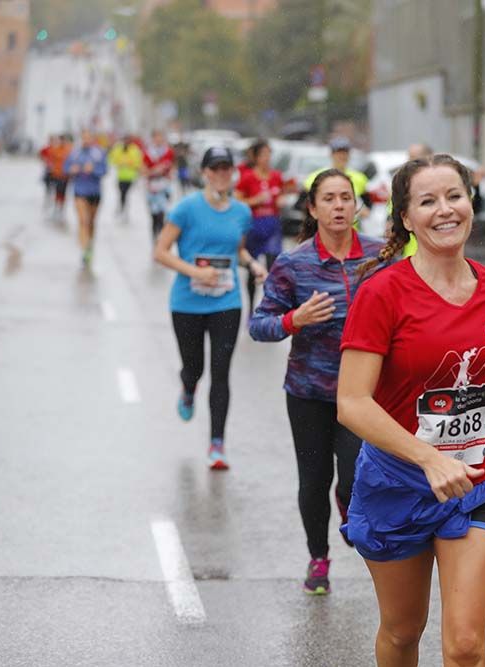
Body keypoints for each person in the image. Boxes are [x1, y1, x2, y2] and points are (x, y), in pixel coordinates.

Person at [337, 154, 485, 666]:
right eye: (427, 201)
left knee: (465, 644)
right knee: (402, 631)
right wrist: (430, 459)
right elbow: (351, 403)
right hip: (399, 482)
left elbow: (484, 357)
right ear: (406, 218)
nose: (445, 210)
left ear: (470, 202)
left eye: (454, 196)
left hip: (479, 479)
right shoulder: (382, 294)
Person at [249, 169, 384, 595]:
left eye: (347, 197)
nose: (340, 205)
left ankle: (349, 509)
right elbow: (259, 325)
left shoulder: (380, 258)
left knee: (354, 476)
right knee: (313, 479)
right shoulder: (293, 264)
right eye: (329, 198)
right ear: (313, 208)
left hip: (361, 395)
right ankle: (318, 558)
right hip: (308, 391)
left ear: (357, 206)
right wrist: (295, 319)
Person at [153, 146, 266, 470]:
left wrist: (253, 265)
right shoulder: (187, 209)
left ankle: (217, 444)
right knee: (195, 368)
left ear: (233, 173)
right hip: (187, 303)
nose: (221, 175)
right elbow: (160, 251)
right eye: (214, 169)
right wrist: (196, 272)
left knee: (221, 373)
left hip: (226, 302)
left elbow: (238, 250)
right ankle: (188, 387)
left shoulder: (242, 212)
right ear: (204, 173)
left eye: (226, 169)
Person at [235, 140, 286, 315]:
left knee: (273, 267)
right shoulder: (248, 177)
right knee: (253, 268)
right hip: (254, 226)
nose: (267, 158)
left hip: (272, 225)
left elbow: (281, 196)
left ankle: (269, 308)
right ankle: (250, 309)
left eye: (269, 154)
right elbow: (238, 200)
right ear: (256, 157)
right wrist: (255, 200)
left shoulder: (277, 176)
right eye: (263, 155)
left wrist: (280, 201)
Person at [64, 130, 108, 267]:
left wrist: (93, 170)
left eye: (88, 138)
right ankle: (84, 250)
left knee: (91, 222)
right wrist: (72, 169)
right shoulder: (75, 153)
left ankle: (90, 244)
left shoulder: (99, 153)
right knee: (83, 221)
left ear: (92, 139)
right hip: (79, 191)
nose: (86, 140)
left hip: (94, 192)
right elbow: (66, 168)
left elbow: (105, 170)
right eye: (84, 138)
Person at [304, 136, 371, 213]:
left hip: (351, 224)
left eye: (345, 153)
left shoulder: (360, 178)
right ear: (332, 154)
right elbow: (305, 204)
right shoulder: (316, 177)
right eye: (339, 153)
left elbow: (368, 205)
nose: (342, 156)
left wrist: (362, 211)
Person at [144, 130, 176, 241]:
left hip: (164, 185)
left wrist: (169, 173)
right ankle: (154, 235)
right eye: (156, 137)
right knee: (154, 214)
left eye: (160, 137)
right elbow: (143, 171)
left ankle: (161, 237)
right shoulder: (148, 153)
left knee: (162, 213)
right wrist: (154, 171)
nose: (158, 140)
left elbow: (172, 167)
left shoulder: (168, 152)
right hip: (152, 186)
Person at [109, 135, 144, 220]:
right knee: (122, 193)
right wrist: (119, 162)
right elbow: (112, 159)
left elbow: (138, 162)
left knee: (125, 193)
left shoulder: (134, 149)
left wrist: (130, 163)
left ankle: (123, 208)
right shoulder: (118, 148)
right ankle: (122, 208)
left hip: (130, 177)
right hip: (121, 176)